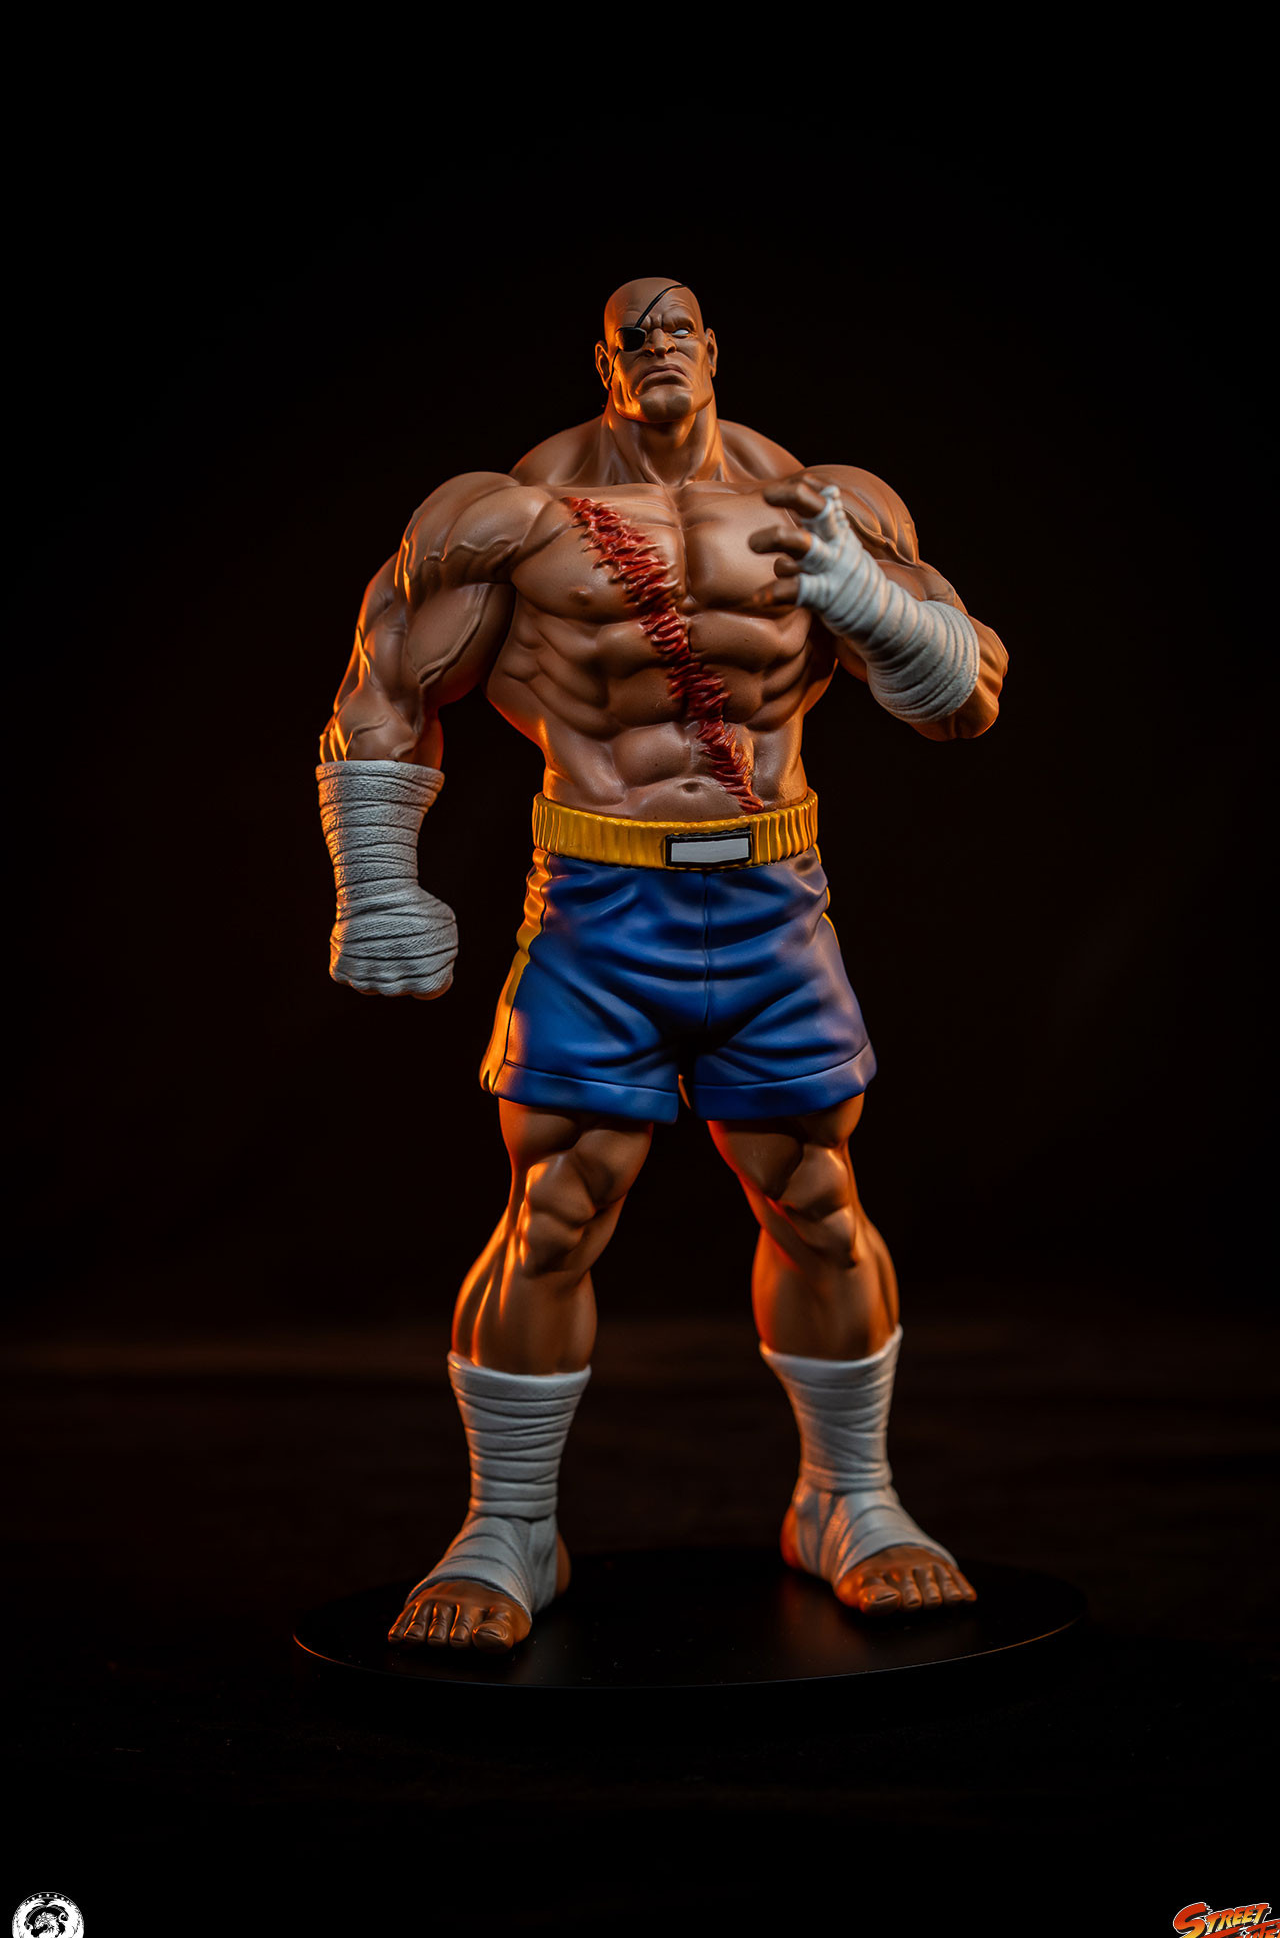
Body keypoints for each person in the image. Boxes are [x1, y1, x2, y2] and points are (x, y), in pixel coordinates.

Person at [317, 277, 1007, 1653]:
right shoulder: (507, 515)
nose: (658, 348)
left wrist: (881, 612)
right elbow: (384, 684)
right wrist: (376, 880)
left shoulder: (822, 504)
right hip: (599, 900)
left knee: (816, 1192)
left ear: (714, 349)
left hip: (770, 898)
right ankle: (509, 1527)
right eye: (635, 335)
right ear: (604, 362)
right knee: (556, 1200)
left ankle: (848, 1500)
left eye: (678, 328)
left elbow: (968, 703)